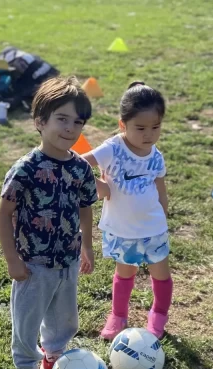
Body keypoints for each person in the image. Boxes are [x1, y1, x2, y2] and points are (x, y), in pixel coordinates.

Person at [0, 76, 99, 369]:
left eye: (77, 122)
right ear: (40, 122)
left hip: (67, 260)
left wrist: (87, 246)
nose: (70, 128)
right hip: (33, 264)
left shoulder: (81, 169)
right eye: (62, 119)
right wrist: (13, 260)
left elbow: (85, 206)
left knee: (65, 320)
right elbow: (4, 213)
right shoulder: (26, 169)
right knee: (27, 324)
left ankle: (52, 358)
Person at [82, 81, 172, 340]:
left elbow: (160, 188)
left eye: (155, 127)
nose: (149, 134)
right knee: (125, 273)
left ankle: (158, 316)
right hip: (123, 229)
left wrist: (163, 216)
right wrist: (99, 184)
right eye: (140, 128)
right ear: (123, 125)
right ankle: (118, 315)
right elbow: (77, 164)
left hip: (153, 228)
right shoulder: (113, 148)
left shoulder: (156, 156)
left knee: (161, 274)